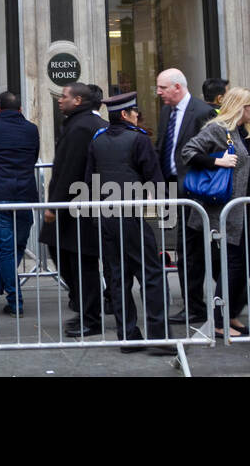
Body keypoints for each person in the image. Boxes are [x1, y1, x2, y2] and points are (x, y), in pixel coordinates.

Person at [85, 92, 173, 354]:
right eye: (135, 112)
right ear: (125, 114)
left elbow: (89, 180)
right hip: (130, 215)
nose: (138, 116)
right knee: (151, 273)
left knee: (117, 275)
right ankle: (160, 337)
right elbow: (154, 178)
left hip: (105, 215)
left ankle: (128, 336)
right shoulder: (138, 139)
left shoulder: (97, 140)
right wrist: (166, 209)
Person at [179, 87, 250, 336]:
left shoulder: (243, 133)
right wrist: (218, 161)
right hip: (221, 210)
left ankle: (230, 313)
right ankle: (217, 321)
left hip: (243, 209)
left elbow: (249, 171)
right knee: (233, 263)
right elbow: (188, 152)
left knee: (247, 260)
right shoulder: (217, 129)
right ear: (239, 107)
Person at [155, 68, 215, 324]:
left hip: (195, 191)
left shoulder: (203, 113)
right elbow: (163, 146)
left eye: (162, 88)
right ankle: (196, 302)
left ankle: (196, 305)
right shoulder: (167, 111)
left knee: (192, 247)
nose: (158, 93)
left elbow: (214, 150)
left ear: (177, 87)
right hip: (171, 188)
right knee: (185, 247)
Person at [46, 82, 105, 336]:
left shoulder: (82, 127)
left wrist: (54, 206)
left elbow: (69, 169)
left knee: (81, 264)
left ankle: (91, 317)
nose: (60, 100)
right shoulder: (79, 124)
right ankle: (85, 310)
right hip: (77, 205)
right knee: (67, 257)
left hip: (76, 207)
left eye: (64, 96)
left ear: (78, 101)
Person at [0, 91, 40, 317]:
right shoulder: (32, 130)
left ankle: (13, 300)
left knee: (6, 251)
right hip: (25, 194)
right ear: (20, 109)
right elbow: (33, 158)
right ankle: (4, 293)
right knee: (17, 247)